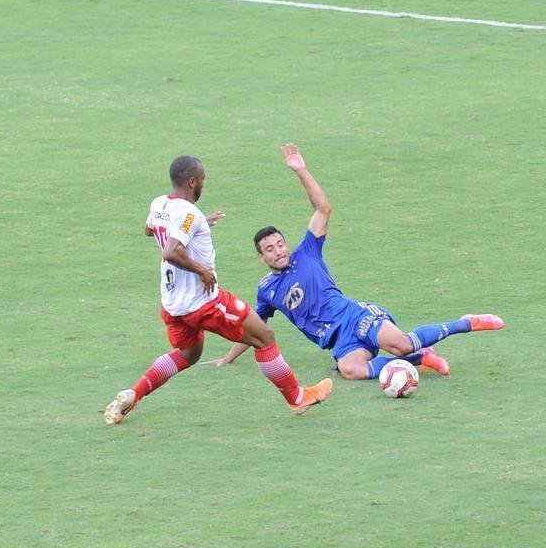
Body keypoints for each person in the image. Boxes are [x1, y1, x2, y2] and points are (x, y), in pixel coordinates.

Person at [209, 143, 503, 381]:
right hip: (338, 341)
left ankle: (467, 323)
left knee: (399, 343)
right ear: (261, 257)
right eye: (269, 250)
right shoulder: (267, 290)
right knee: (351, 370)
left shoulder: (307, 252)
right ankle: (420, 358)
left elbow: (323, 209)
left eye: (280, 244)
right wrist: (227, 359)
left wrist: (301, 170)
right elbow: (254, 330)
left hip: (353, 316)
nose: (278, 251)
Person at [103, 155, 332, 424]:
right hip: (203, 303)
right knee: (265, 337)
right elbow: (171, 251)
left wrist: (198, 225)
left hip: (173, 305)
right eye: (201, 180)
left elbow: (150, 230)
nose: (202, 184)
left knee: (190, 354)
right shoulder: (188, 214)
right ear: (191, 181)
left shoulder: (159, 204)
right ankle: (297, 398)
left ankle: (133, 395)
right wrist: (201, 270)